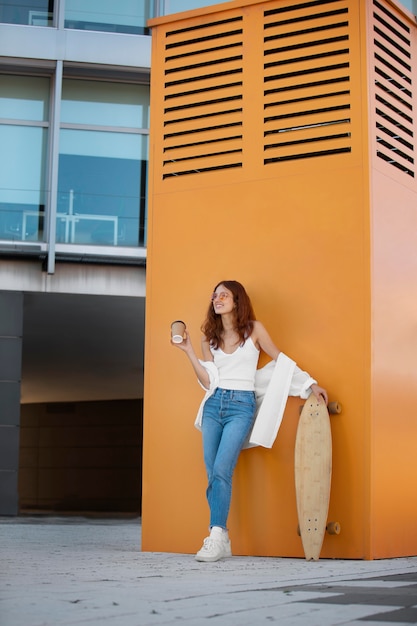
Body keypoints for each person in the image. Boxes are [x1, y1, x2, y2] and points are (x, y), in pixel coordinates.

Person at [171, 280, 328, 563]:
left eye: (224, 295)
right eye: (214, 295)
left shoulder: (254, 329)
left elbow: (281, 360)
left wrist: (310, 383)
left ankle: (216, 536)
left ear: (237, 300)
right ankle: (222, 538)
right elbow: (209, 381)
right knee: (212, 472)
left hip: (241, 406)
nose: (217, 299)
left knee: (221, 469)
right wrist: (190, 352)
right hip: (213, 405)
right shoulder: (209, 338)